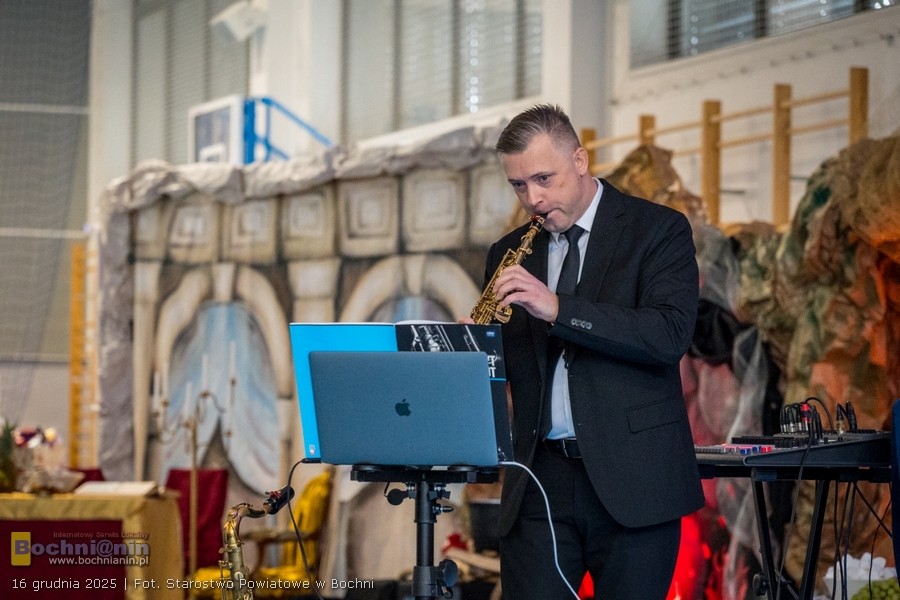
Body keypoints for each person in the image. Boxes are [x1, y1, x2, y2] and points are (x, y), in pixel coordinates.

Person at [471, 104, 704, 599]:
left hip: (635, 480)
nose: (533, 199)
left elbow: (667, 335)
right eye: (518, 185)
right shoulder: (508, 252)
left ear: (580, 160)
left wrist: (558, 308)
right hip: (538, 482)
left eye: (543, 178)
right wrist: (471, 347)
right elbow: (505, 367)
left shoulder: (658, 230)